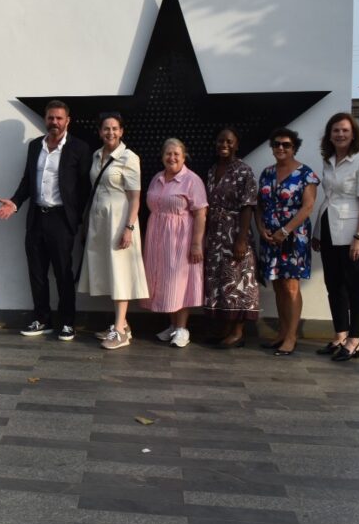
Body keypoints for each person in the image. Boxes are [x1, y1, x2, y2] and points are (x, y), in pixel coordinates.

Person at [0, 100, 91, 340]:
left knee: (63, 273)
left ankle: (67, 322)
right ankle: (41, 319)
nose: (54, 122)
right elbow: (27, 181)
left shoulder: (79, 148)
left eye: (59, 118)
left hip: (61, 220)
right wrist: (15, 203)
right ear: (45, 120)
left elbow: (84, 188)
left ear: (68, 121)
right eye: (50, 118)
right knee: (36, 272)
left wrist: (74, 218)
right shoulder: (35, 146)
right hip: (36, 218)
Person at [77, 112, 149, 349]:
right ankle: (123, 324)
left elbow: (135, 198)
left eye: (115, 128)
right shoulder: (97, 155)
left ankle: (119, 332)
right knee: (109, 271)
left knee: (120, 272)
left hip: (120, 221)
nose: (111, 132)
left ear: (122, 131)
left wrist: (129, 228)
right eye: (106, 128)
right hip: (101, 222)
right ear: (100, 132)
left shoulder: (129, 157)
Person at [311, 113, 359, 362]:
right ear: (329, 135)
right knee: (334, 284)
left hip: (351, 232)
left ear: (353, 134)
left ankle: (355, 339)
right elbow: (329, 198)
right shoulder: (329, 160)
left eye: (345, 130)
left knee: (355, 286)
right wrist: (318, 231)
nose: (340, 134)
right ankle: (340, 334)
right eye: (336, 130)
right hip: (328, 227)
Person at [256, 127, 319, 356]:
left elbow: (308, 207)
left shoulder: (306, 174)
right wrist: (260, 227)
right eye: (277, 144)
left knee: (291, 286)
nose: (281, 148)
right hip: (270, 237)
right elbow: (259, 205)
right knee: (278, 285)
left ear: (294, 148)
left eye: (286, 145)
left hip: (293, 237)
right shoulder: (266, 173)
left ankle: (292, 336)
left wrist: (285, 230)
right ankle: (282, 332)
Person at [142, 138, 207, 348]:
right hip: (157, 237)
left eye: (176, 154)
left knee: (179, 283)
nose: (172, 158)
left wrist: (196, 244)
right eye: (168, 154)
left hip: (180, 239)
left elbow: (200, 214)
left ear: (184, 156)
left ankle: (182, 328)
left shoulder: (192, 180)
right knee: (164, 281)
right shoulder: (157, 178)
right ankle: (172, 326)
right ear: (162, 156)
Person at [202, 128, 260, 348]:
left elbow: (248, 206)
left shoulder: (244, 170)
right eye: (220, 141)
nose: (224, 145)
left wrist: (242, 239)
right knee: (219, 281)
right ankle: (225, 329)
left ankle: (238, 332)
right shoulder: (212, 170)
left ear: (236, 145)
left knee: (238, 281)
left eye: (229, 141)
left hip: (235, 232)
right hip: (215, 234)